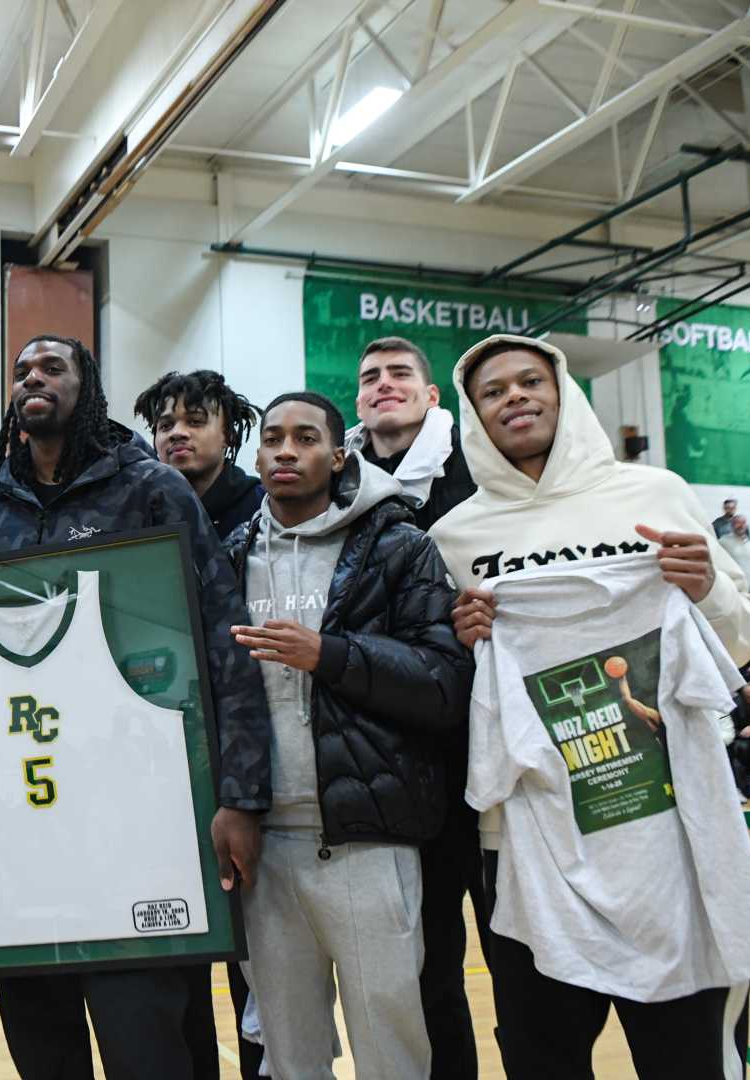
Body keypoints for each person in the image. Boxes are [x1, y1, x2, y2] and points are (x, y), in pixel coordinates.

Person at [0, 334, 272, 1080]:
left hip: (141, 826)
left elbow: (224, 641)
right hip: (27, 837)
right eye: (21, 371)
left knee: (152, 1047)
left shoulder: (151, 490)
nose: (32, 379)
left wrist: (239, 793)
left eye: (53, 368)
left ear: (89, 388)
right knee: (43, 1051)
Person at [433, 334, 750, 1077]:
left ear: (562, 392)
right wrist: (462, 642)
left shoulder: (655, 494)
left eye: (529, 381)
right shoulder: (454, 537)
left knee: (688, 1057)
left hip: (672, 829)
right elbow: (452, 693)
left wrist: (705, 585)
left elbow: (742, 646)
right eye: (494, 391)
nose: (515, 397)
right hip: (530, 841)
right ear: (474, 414)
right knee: (539, 1056)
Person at [224, 391, 471, 1079]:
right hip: (265, 844)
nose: (284, 450)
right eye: (272, 438)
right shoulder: (229, 555)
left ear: (339, 456)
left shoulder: (400, 545)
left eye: (305, 438)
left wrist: (329, 655)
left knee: (391, 1051)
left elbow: (444, 683)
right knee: (287, 1054)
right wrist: (230, 800)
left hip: (368, 836)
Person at [347, 334, 484, 1079]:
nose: (384, 384)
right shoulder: (339, 488)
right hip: (395, 758)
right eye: (370, 378)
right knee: (426, 969)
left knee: (519, 962)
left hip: (488, 752)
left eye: (401, 374)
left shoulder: (477, 473)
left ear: (433, 398)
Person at [131, 368, 263, 1076]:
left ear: (230, 432)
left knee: (260, 972)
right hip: (165, 759)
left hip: (250, 753)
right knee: (177, 967)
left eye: (195, 420)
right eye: (164, 423)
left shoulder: (268, 510)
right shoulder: (140, 506)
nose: (176, 433)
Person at [134, 368, 264, 538]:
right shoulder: (140, 511)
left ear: (228, 435)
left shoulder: (263, 507)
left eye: (195, 421)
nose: (177, 433)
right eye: (166, 426)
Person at [720, 515, 750, 601]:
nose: (741, 525)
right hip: (736, 592)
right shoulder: (724, 541)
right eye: (738, 523)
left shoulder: (749, 542)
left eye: (743, 523)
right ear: (732, 525)